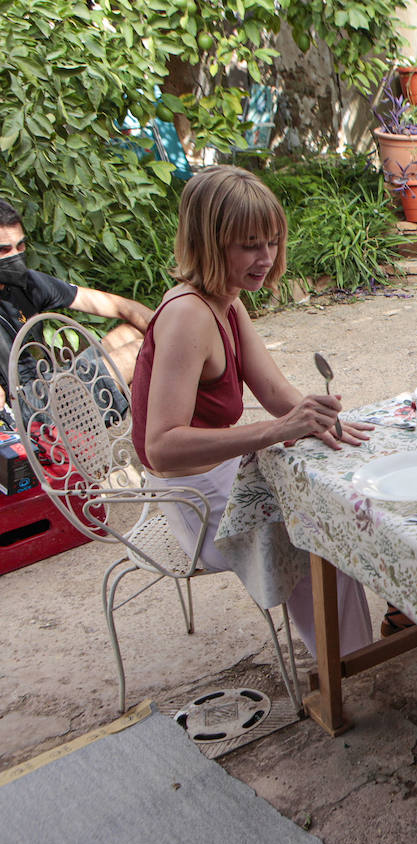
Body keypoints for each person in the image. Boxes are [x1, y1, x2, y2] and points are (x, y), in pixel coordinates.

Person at [130, 166, 374, 656]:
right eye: (249, 246)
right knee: (320, 529)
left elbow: (274, 389)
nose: (267, 258)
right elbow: (162, 449)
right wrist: (278, 429)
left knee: (349, 488)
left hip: (223, 475)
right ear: (207, 242)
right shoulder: (187, 316)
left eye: (272, 242)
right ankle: (347, 667)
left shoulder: (227, 300)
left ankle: (356, 654)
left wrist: (330, 424)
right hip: (194, 502)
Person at [0, 198, 153, 418]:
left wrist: (171, 333)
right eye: (4, 249)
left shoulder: (28, 283)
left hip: (48, 384)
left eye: (21, 245)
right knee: (139, 352)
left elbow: (118, 306)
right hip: (27, 410)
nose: (16, 255)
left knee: (134, 333)